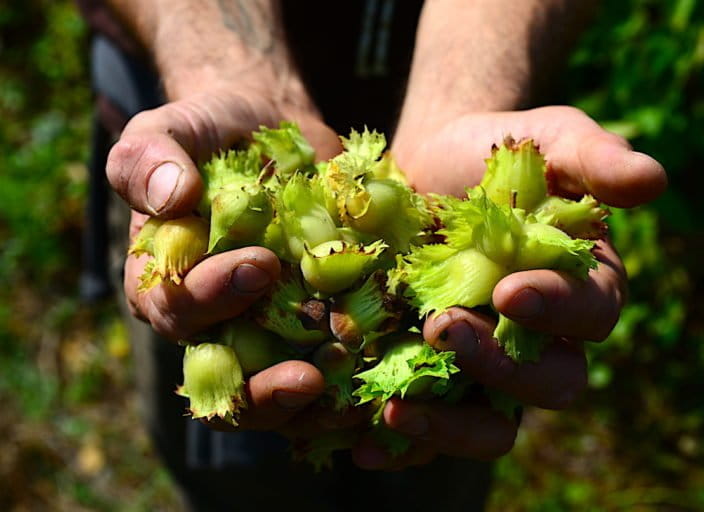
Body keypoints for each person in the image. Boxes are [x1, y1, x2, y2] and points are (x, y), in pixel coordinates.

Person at [82, 1, 667, 510]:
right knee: (241, 473)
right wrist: (224, 72)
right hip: (176, 81)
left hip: (466, 111)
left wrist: (468, 93)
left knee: (433, 451)